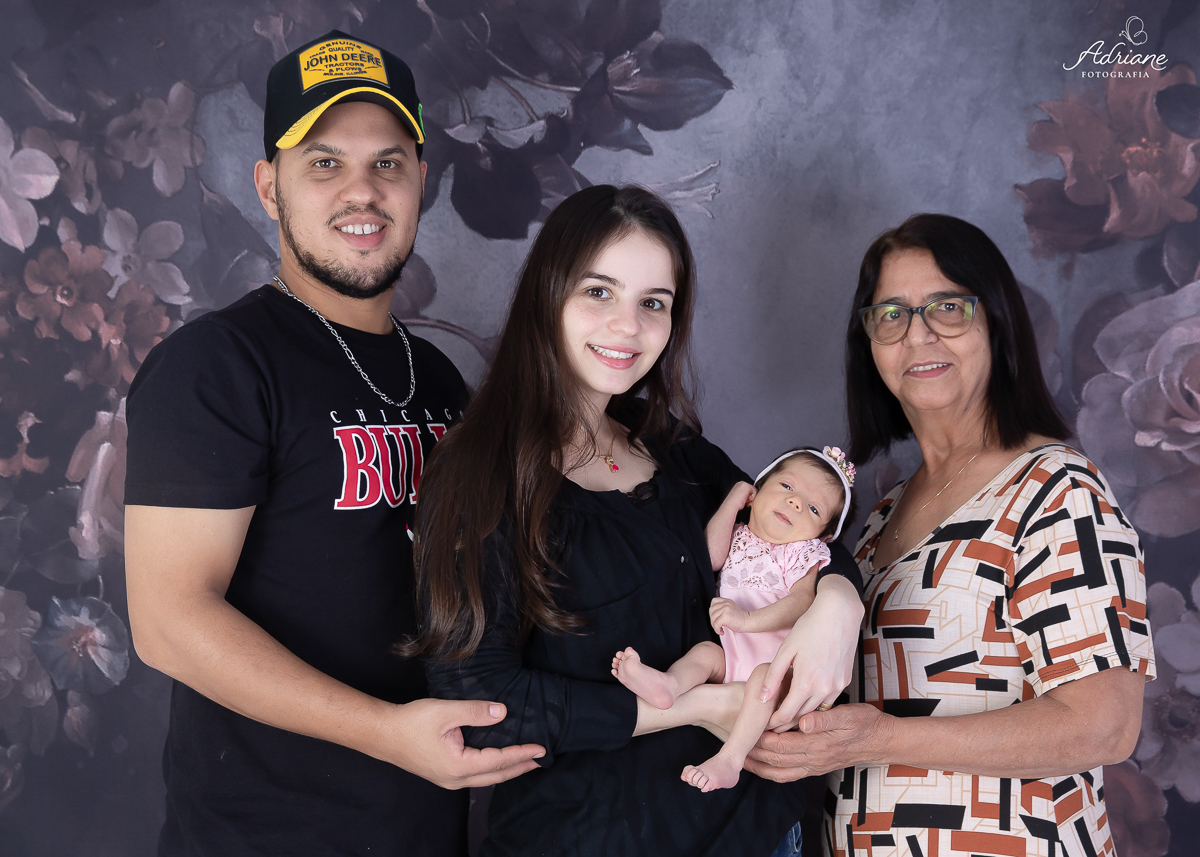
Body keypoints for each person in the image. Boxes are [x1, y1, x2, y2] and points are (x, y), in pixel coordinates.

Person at [123, 31, 542, 857]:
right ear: (268, 186)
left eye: (388, 162)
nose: (363, 190)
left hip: (424, 831)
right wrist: (387, 732)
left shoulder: (438, 378)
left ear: (421, 180)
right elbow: (168, 620)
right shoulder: (216, 365)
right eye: (324, 163)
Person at [407, 184, 866, 857]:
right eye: (599, 292)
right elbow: (479, 703)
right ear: (547, 294)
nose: (627, 327)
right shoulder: (479, 471)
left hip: (758, 832)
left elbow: (797, 519)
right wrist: (692, 707)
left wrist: (840, 601)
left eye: (654, 302)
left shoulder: (669, 443)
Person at [743, 214, 1154, 857]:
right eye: (892, 315)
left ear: (997, 323)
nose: (919, 335)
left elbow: (1104, 726)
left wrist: (879, 740)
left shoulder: (1057, 489)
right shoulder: (877, 521)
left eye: (949, 307)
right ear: (869, 345)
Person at [612, 446, 856, 792]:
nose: (796, 502)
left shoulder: (802, 553)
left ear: (824, 536)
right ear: (758, 490)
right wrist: (733, 501)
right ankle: (670, 686)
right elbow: (710, 557)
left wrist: (746, 620)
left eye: (814, 508)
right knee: (705, 654)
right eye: (787, 486)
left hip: (778, 671)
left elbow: (801, 601)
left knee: (762, 679)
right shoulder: (739, 534)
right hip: (733, 658)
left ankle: (730, 760)